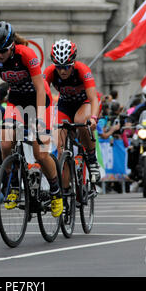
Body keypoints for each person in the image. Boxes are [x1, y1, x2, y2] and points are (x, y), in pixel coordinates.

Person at [0, 21, 62, 217]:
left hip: (39, 99)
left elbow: (40, 88)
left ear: (12, 45)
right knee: (5, 142)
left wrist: (41, 119)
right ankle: (14, 187)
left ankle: (55, 191)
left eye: (3, 50)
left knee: (40, 154)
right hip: (16, 100)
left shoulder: (26, 54)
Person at [44, 39, 101, 183]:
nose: (62, 71)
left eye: (67, 67)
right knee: (61, 149)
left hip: (85, 102)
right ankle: (66, 190)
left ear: (73, 63)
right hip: (66, 104)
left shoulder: (82, 70)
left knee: (80, 122)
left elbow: (93, 98)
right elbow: (42, 96)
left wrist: (93, 118)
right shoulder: (50, 72)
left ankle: (92, 159)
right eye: (59, 67)